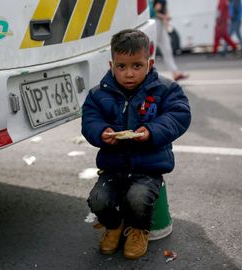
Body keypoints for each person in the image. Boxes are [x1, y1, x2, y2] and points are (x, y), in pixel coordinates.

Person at [81, 29, 191, 259]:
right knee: (98, 201)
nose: (129, 74)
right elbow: (90, 121)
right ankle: (114, 226)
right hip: (113, 167)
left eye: (137, 66)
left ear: (149, 63)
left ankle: (139, 230)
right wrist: (102, 132)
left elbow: (179, 115)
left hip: (148, 167)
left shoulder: (165, 89)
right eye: (122, 67)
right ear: (112, 64)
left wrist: (151, 131)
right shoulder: (98, 94)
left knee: (138, 199)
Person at [150, 0, 189, 81]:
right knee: (155, 50)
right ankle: (148, 74)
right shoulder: (159, 1)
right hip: (157, 23)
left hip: (159, 23)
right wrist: (164, 17)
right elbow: (154, 12)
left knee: (166, 49)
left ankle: (175, 72)